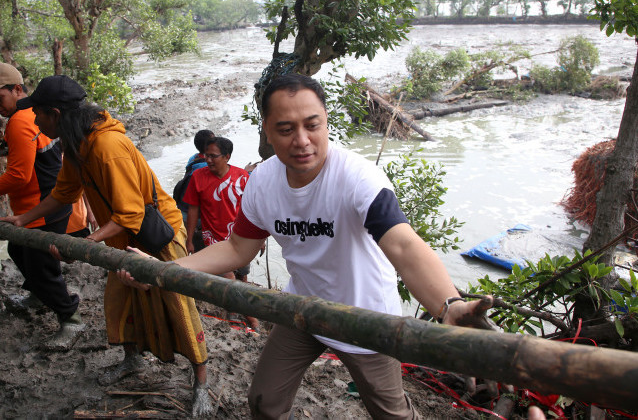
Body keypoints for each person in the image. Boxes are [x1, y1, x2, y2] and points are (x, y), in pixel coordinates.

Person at [119, 73, 494, 419]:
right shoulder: (262, 182)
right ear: (266, 130)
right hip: (304, 310)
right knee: (264, 402)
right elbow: (237, 249)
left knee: (391, 414)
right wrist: (163, 271)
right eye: (285, 129)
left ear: (326, 121)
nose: (301, 141)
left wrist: (449, 305)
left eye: (312, 125)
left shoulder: (358, 178)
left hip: (367, 317)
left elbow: (404, 246)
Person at [0, 75, 212, 417]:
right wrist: (23, 219)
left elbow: (131, 213)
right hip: (122, 237)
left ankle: (201, 383)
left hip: (158, 236)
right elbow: (64, 193)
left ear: (54, 113)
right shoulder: (77, 144)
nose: (34, 121)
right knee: (120, 300)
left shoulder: (107, 147)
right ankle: (132, 361)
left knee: (178, 307)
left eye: (37, 113)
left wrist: (84, 242)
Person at [0, 63, 84, 349]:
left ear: (17, 89)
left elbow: (19, 175)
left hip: (40, 206)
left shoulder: (20, 120)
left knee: (42, 268)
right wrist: (7, 148)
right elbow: (34, 150)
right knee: (17, 249)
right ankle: (39, 296)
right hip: (47, 200)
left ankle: (71, 319)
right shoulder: (31, 114)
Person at [183, 136, 259, 330]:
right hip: (214, 240)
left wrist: (260, 239)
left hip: (241, 237)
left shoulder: (242, 177)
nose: (208, 160)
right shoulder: (198, 177)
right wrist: (189, 239)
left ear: (227, 157)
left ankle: (234, 311)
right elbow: (193, 210)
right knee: (229, 279)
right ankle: (253, 321)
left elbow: (252, 208)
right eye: (206, 155)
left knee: (242, 276)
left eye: (213, 156)